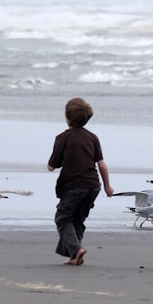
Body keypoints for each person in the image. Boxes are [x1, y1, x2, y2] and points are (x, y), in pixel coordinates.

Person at [47, 97, 114, 266]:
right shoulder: (93, 137)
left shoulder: (62, 138)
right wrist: (107, 186)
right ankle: (73, 255)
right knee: (77, 219)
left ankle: (76, 249)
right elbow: (102, 165)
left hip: (72, 186)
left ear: (67, 117)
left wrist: (55, 164)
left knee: (62, 218)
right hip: (93, 186)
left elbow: (52, 165)